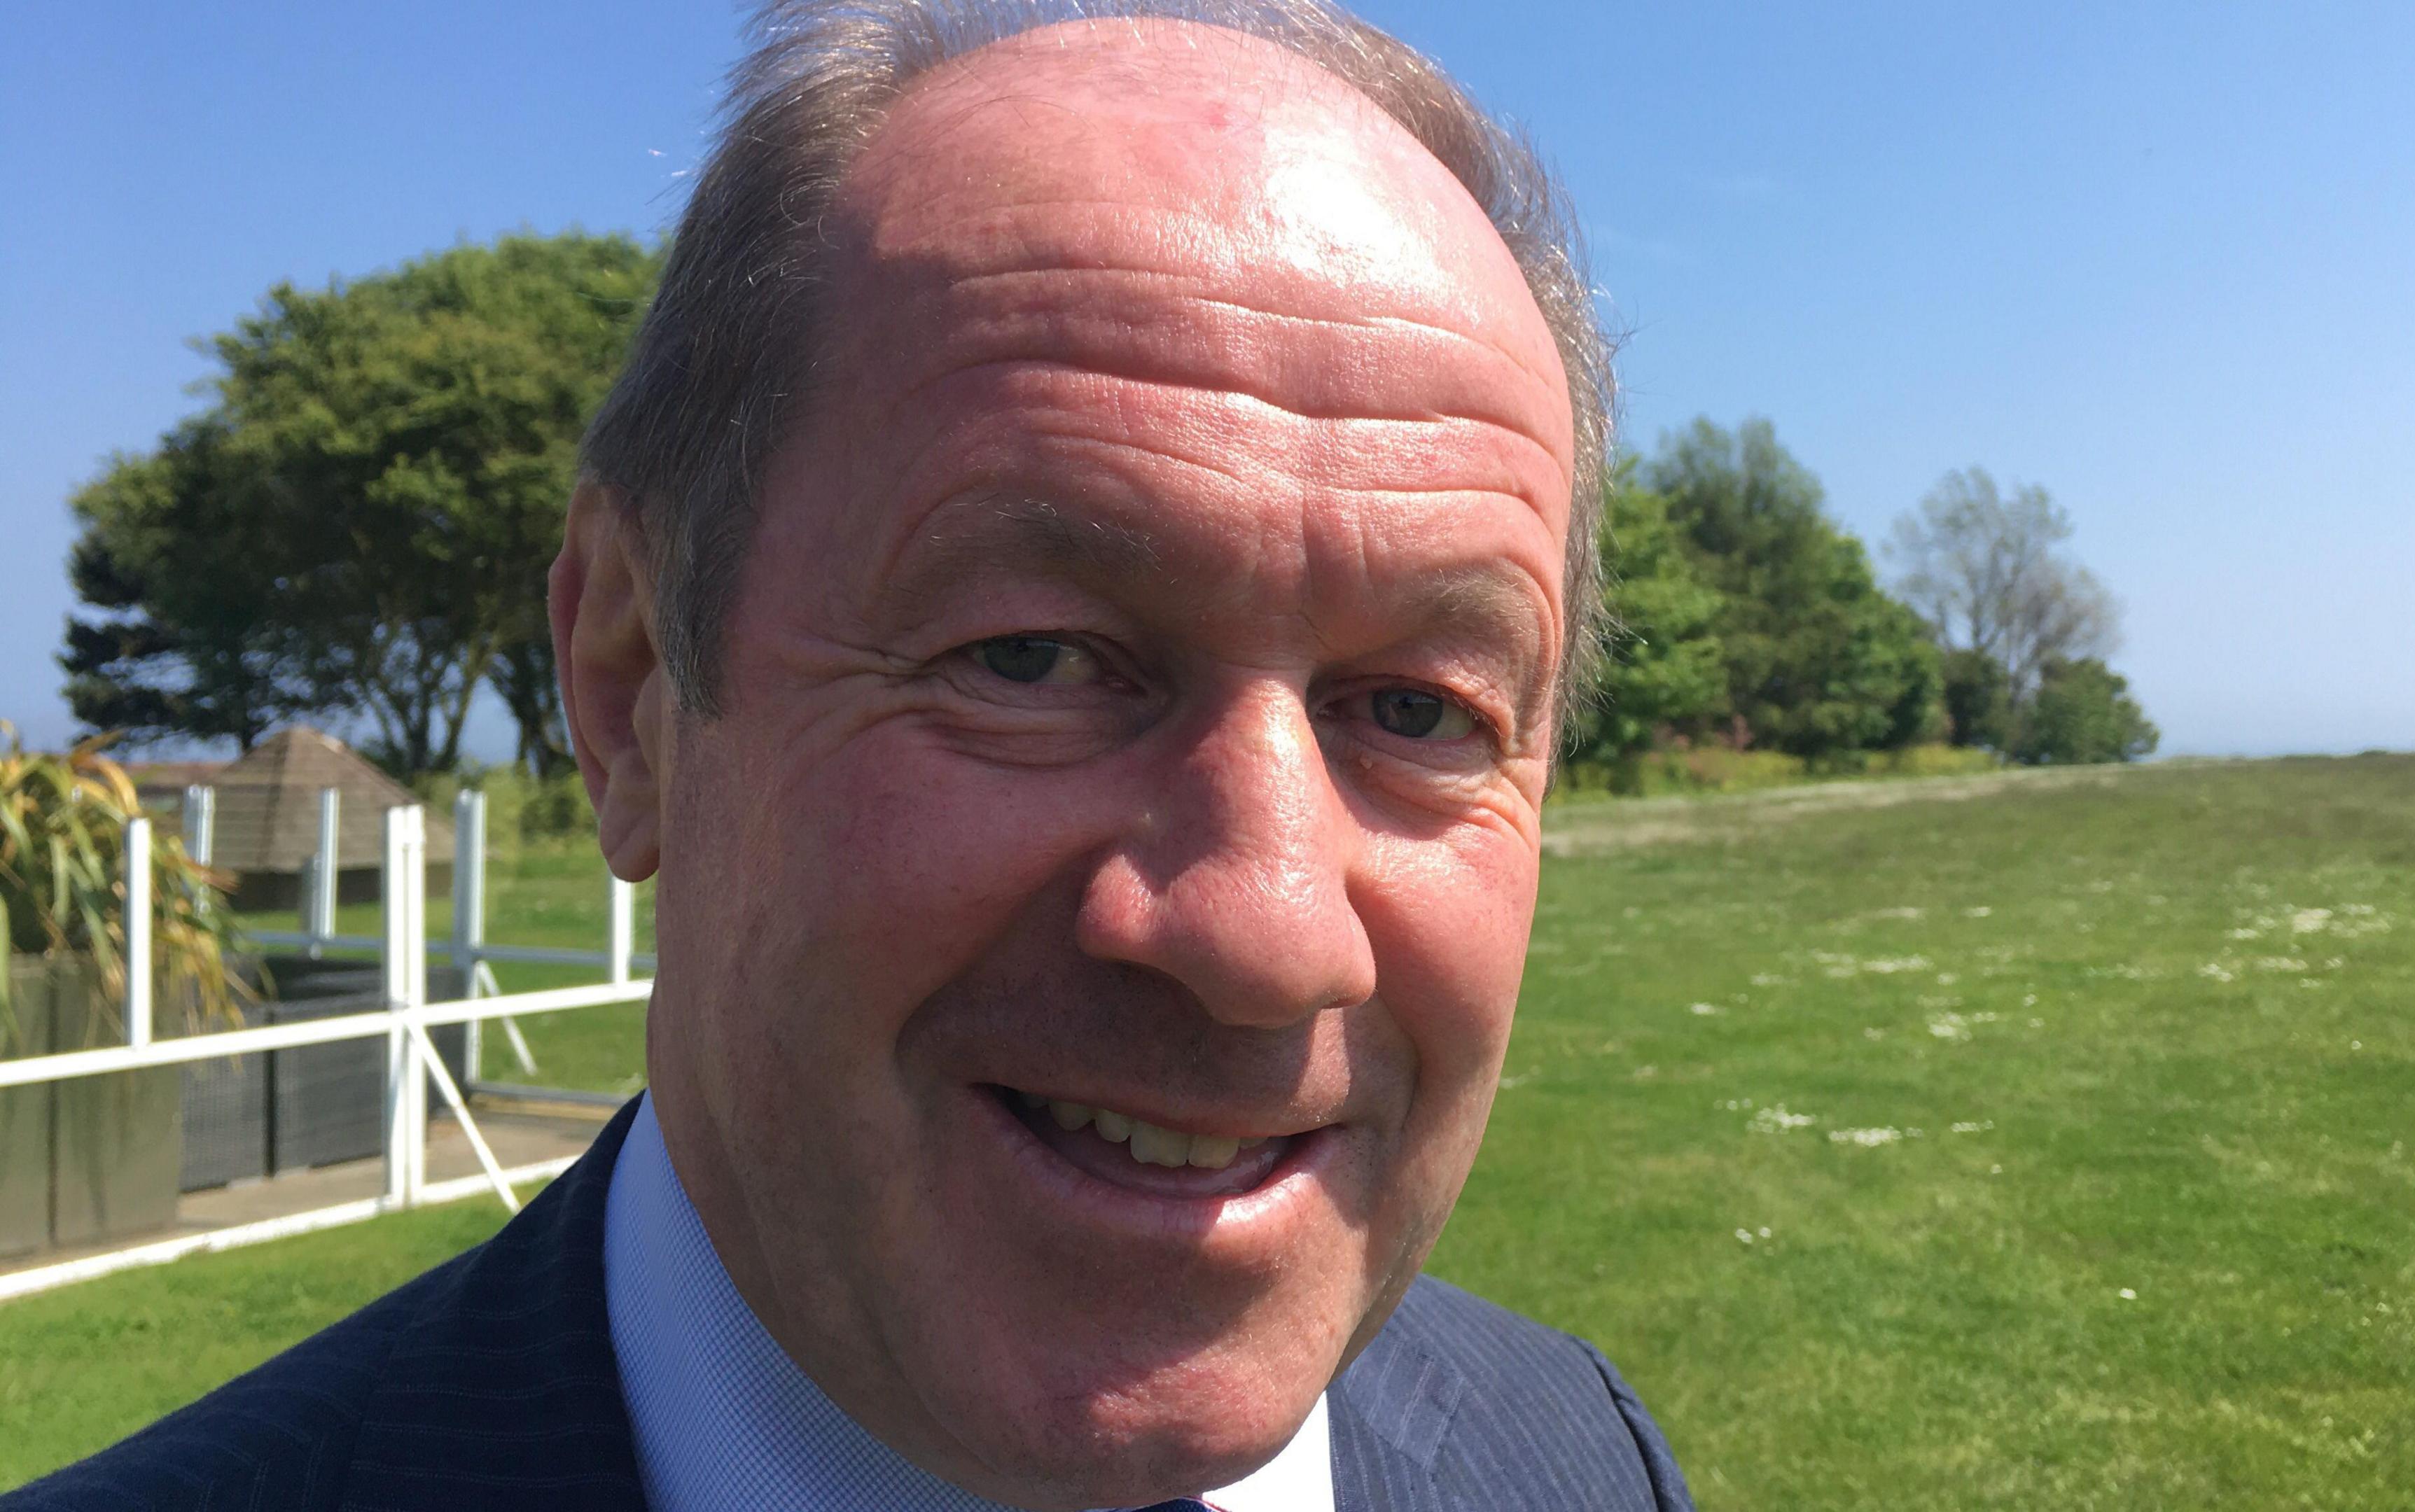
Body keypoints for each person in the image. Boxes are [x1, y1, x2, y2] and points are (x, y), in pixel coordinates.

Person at [8, 3, 1690, 1508]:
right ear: (631, 688)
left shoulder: (1578, 1460)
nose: (1263, 939)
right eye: (1030, 656)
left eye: (1415, 711)